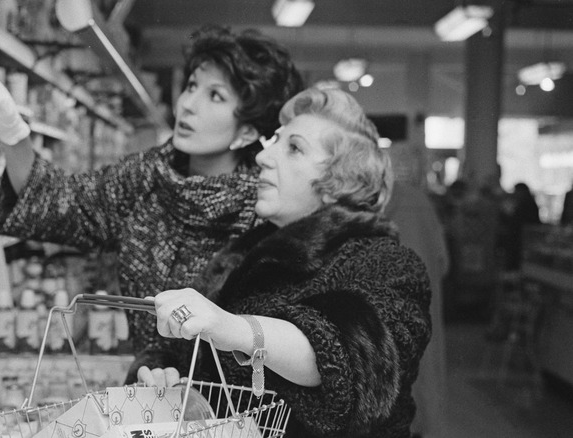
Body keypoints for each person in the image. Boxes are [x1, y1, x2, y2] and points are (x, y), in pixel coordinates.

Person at [0, 25, 303, 355]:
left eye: (215, 95)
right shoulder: (145, 178)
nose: (188, 104)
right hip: (148, 384)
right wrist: (12, 133)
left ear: (246, 132)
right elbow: (58, 202)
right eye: (192, 86)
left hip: (230, 392)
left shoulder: (265, 209)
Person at [137, 88, 432, 437]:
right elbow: (190, 358)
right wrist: (169, 377)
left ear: (340, 182)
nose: (264, 156)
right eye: (274, 140)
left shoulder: (387, 263)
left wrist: (233, 328)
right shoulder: (245, 254)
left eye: (294, 148)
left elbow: (352, 358)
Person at [385, 183, 449, 438]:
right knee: (425, 381)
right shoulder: (421, 201)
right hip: (425, 311)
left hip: (389, 321)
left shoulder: (374, 202)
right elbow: (443, 262)